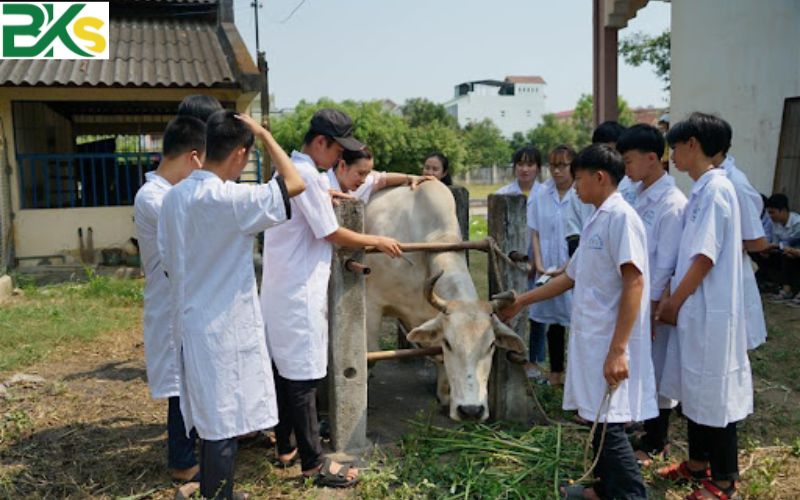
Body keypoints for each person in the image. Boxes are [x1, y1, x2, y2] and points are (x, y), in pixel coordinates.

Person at [159, 110, 305, 499]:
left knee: (210, 417)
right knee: (223, 420)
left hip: (189, 320)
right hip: (223, 326)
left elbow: (167, 260)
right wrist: (266, 135)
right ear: (240, 154)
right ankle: (218, 496)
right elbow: (295, 182)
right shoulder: (232, 199)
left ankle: (213, 492)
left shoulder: (173, 197)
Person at [500, 144, 656, 500]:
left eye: (579, 178)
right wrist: (521, 301)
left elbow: (634, 281)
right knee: (598, 418)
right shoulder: (596, 219)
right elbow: (570, 277)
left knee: (611, 423)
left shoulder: (621, 218)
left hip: (610, 339)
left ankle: (632, 495)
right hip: (591, 337)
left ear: (599, 177)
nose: (574, 186)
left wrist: (619, 349)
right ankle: (603, 490)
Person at [261, 109, 402, 488]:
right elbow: (331, 233)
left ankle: (286, 448)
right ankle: (313, 463)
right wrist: (377, 240)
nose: (339, 159)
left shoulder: (295, 170)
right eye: (338, 150)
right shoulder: (306, 173)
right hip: (298, 290)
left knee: (285, 373)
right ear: (321, 143)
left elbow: (310, 204)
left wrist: (328, 194)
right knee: (303, 378)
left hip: (281, 287)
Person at [655, 113, 752, 500]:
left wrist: (675, 302)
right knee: (692, 385)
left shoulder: (717, 191)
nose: (673, 156)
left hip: (707, 311)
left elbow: (704, 257)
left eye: (675, 147)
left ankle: (725, 478)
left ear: (692, 144)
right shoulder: (701, 190)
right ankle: (698, 463)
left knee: (713, 391)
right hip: (696, 310)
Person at [134, 114, 205, 485]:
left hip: (184, 302)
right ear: (194, 156)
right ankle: (182, 461)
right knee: (180, 384)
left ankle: (193, 450)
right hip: (170, 305)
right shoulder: (154, 198)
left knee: (190, 379)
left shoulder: (169, 194)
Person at [617, 124, 687, 466]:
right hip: (638, 297)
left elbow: (666, 262)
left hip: (654, 301)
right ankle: (644, 427)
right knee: (642, 365)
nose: (625, 169)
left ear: (651, 158)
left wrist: (654, 305)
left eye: (628, 161)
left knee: (658, 370)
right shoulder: (639, 193)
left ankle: (658, 441)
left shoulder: (672, 203)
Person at [710, 115, 770, 350]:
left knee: (734, 349)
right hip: (717, 275)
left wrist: (725, 243)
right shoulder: (709, 181)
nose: (673, 156)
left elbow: (758, 241)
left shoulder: (736, 183)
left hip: (731, 271)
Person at [527, 145, 577, 386]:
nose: (557, 172)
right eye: (553, 166)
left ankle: (576, 377)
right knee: (553, 323)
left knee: (577, 322)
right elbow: (535, 231)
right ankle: (555, 374)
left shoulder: (582, 194)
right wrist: (538, 262)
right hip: (547, 267)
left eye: (562, 166)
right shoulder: (541, 194)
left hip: (574, 268)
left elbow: (583, 234)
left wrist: (569, 265)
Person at [324, 147, 434, 203]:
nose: (363, 180)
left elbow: (382, 179)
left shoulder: (360, 185)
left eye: (366, 174)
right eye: (360, 173)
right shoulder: (321, 186)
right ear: (343, 166)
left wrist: (410, 177)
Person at [756, 194, 800, 302]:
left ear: (783, 210)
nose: (770, 216)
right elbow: (776, 242)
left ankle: (791, 290)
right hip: (786, 251)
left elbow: (792, 243)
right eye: (769, 213)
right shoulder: (775, 223)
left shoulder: (797, 223)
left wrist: (786, 248)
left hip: (796, 252)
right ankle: (783, 289)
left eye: (773, 212)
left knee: (789, 256)